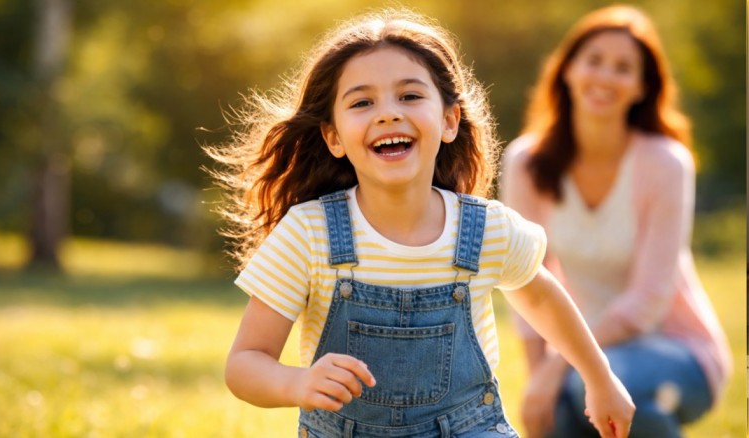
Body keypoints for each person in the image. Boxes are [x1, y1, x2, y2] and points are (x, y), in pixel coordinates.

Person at [210, 8, 634, 438]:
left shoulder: (484, 229)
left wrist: (600, 379)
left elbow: (542, 300)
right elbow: (245, 363)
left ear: (449, 120)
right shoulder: (309, 233)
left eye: (410, 96)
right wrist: (296, 382)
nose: (388, 113)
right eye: (362, 102)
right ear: (333, 136)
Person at [499, 5, 732, 438]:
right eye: (594, 60)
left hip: (682, 352)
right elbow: (524, 278)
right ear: (567, 70)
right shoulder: (527, 163)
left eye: (623, 68)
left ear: (643, 87)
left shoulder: (666, 163)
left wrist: (557, 368)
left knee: (580, 386)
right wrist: (538, 380)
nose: (605, 76)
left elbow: (649, 300)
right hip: (581, 360)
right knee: (579, 413)